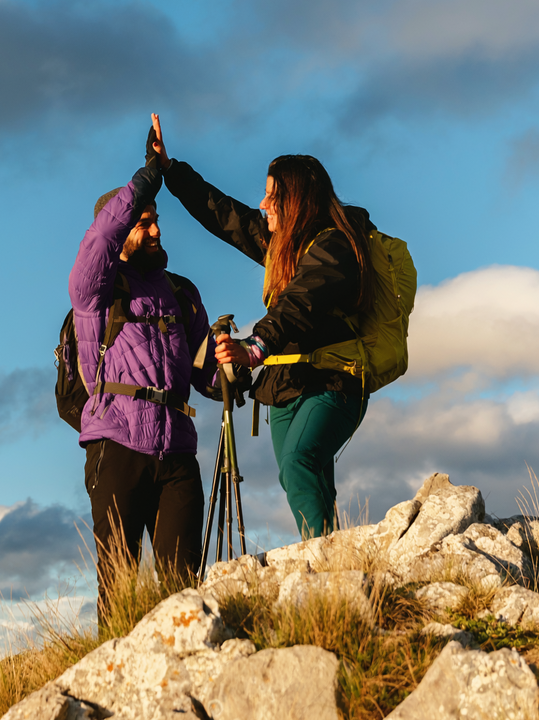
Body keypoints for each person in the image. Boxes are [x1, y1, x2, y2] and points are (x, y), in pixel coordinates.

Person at [149, 114, 374, 541]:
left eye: (273, 195)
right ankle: (334, 554)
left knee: (298, 463)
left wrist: (254, 347)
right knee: (305, 476)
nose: (263, 204)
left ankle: (326, 561)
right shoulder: (281, 244)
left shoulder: (336, 245)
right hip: (286, 384)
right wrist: (170, 170)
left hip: (333, 381)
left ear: (298, 201)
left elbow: (299, 301)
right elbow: (224, 214)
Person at [69, 131, 219, 621]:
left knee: (185, 589)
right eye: (143, 222)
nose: (155, 231)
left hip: (177, 452)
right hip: (116, 447)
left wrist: (237, 368)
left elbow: (208, 377)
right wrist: (148, 178)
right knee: (118, 587)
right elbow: (100, 240)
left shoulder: (182, 292)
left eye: (157, 222)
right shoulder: (96, 290)